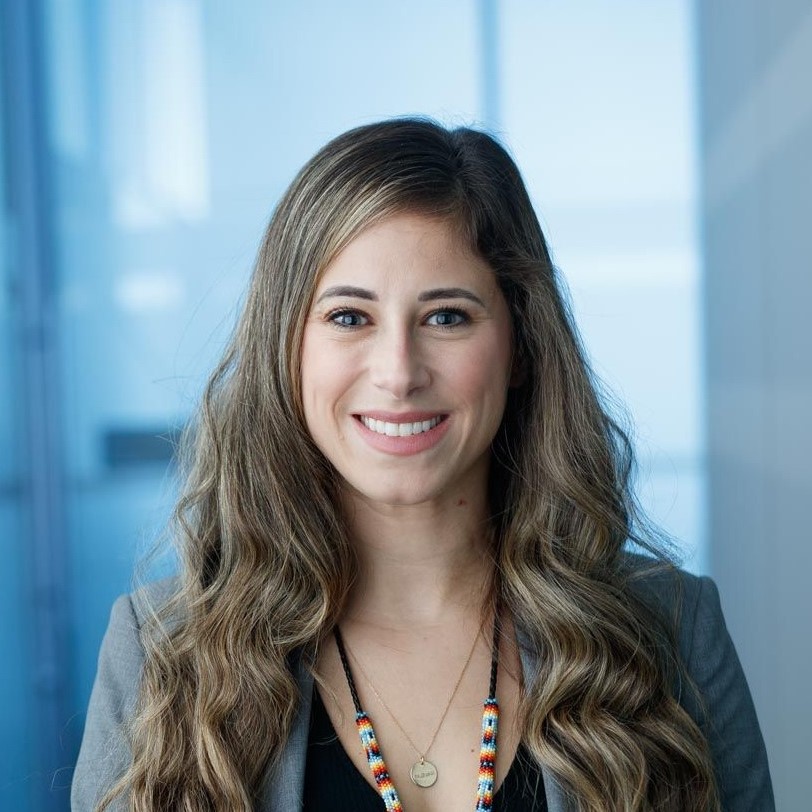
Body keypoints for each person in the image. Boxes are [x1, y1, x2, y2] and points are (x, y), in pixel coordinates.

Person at [71, 118, 774, 812]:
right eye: (349, 317)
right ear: (288, 351)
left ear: (521, 347)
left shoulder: (673, 632)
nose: (398, 373)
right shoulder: (160, 653)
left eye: (447, 317)